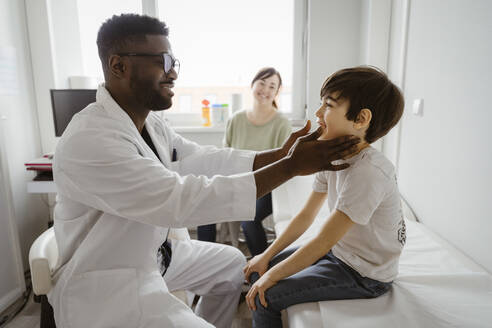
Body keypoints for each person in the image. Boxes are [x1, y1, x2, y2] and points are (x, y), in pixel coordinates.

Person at [47, 14, 360, 328]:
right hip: (110, 280)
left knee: (231, 265)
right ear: (118, 66)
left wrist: (281, 155)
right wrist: (291, 166)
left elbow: (204, 159)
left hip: (154, 256)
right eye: (163, 61)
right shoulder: (92, 139)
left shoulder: (149, 123)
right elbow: (177, 201)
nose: (172, 73)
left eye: (174, 62)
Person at [243, 66, 406, 328]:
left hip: (364, 274)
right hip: (339, 253)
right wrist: (266, 257)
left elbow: (323, 240)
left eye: (328, 105)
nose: (318, 113)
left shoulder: (369, 172)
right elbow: (306, 216)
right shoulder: (332, 156)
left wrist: (272, 277)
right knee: (257, 271)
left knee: (265, 295)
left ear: (361, 118)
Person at [197, 67, 292, 256]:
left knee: (248, 218)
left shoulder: (282, 123)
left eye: (272, 86)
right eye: (262, 83)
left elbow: (283, 164)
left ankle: (262, 269)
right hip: (235, 182)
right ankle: (203, 260)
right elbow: (225, 156)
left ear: (277, 92)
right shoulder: (237, 119)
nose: (265, 90)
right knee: (204, 207)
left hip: (267, 187)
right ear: (253, 85)